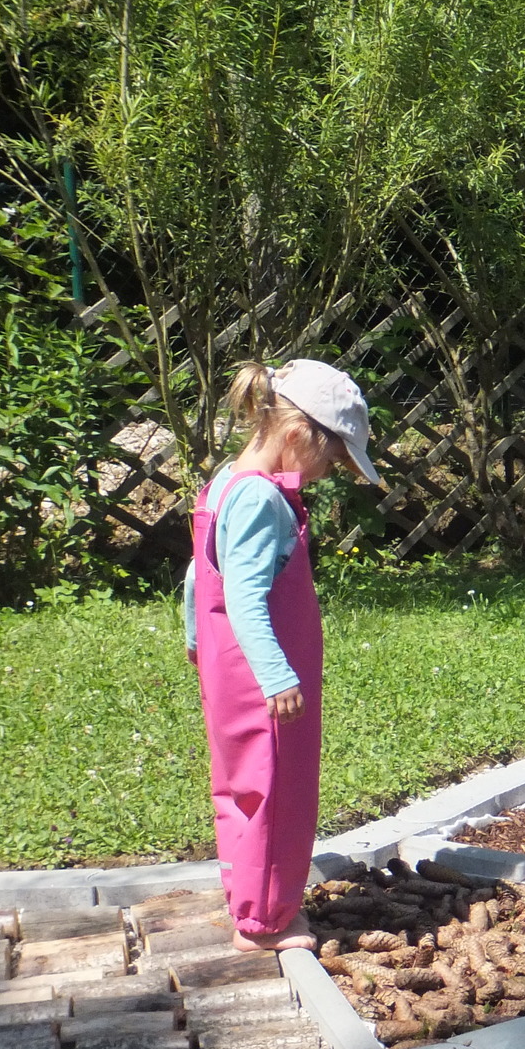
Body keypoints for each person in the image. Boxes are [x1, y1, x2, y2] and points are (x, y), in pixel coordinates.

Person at [184, 359, 382, 952]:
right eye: (332, 459)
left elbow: (200, 573)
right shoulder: (262, 502)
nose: (328, 473)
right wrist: (276, 675)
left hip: (227, 667)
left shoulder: (225, 482)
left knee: (240, 788)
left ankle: (246, 899)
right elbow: (245, 596)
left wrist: (197, 638)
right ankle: (267, 920)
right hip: (264, 679)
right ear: (298, 434)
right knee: (277, 790)